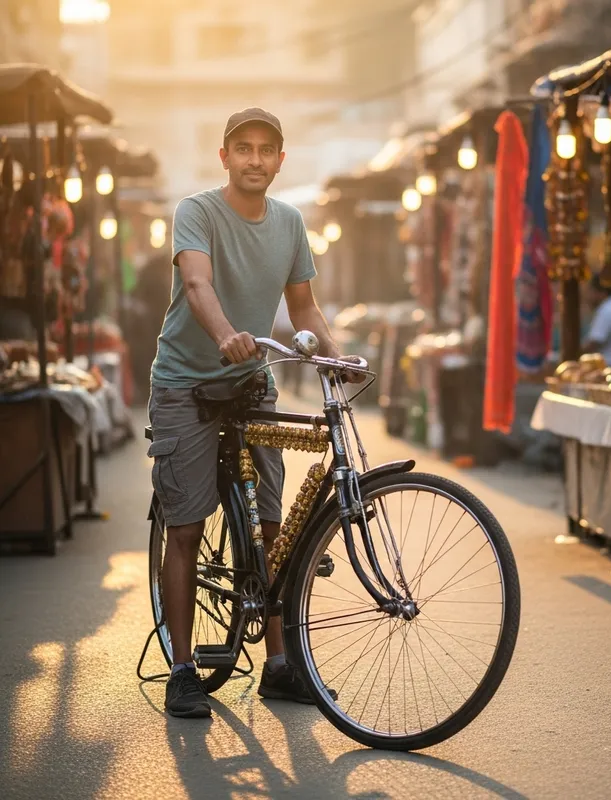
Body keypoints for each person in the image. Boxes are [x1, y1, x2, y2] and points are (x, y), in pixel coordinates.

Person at [148, 108, 364, 718]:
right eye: (242, 148)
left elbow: (305, 310)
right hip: (186, 384)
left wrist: (333, 355)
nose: (254, 159)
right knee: (186, 526)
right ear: (224, 157)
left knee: (275, 525)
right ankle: (184, 671)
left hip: (251, 380)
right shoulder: (197, 211)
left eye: (267, 150)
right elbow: (197, 286)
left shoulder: (292, 223)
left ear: (280, 160)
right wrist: (224, 335)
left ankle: (277, 664)